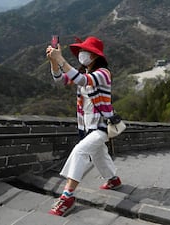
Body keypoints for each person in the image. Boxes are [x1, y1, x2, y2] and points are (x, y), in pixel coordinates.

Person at [46, 36, 122, 216]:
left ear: (95, 55)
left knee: (80, 151)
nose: (81, 54)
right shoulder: (83, 73)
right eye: (80, 51)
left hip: (103, 125)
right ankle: (113, 179)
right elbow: (59, 79)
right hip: (87, 127)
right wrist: (53, 62)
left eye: (84, 51)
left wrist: (60, 59)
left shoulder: (103, 73)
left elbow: (82, 80)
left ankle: (67, 196)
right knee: (98, 154)